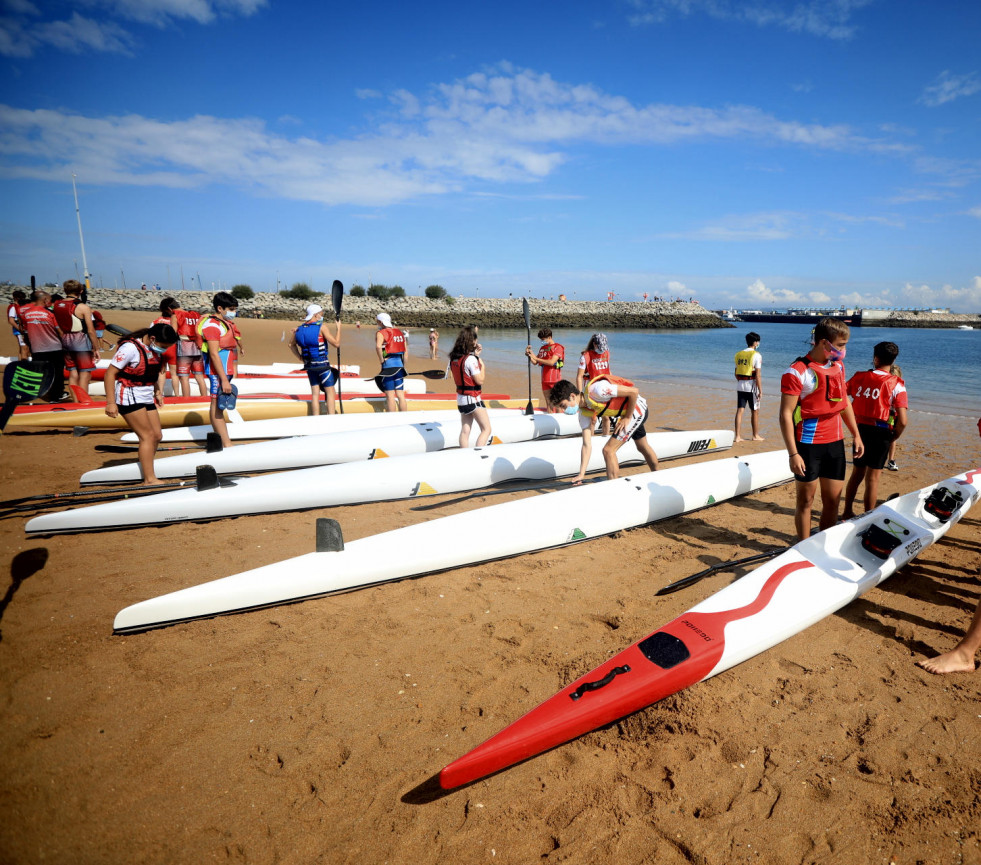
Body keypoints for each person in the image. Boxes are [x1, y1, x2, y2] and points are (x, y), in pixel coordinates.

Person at [779, 318, 864, 540]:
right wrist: (793, 453)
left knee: (833, 501)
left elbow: (844, 403)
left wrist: (856, 435)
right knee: (806, 501)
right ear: (824, 343)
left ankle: (822, 545)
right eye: (841, 345)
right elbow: (785, 415)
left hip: (835, 444)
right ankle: (803, 545)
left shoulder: (839, 367)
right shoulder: (797, 371)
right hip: (808, 446)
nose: (844, 350)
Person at [103, 322, 178, 485]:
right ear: (152, 338)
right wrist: (110, 402)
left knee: (157, 435)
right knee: (147, 436)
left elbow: (151, 373)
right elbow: (110, 374)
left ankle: (147, 468)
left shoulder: (152, 347)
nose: (164, 349)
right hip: (128, 395)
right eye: (163, 346)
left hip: (145, 394)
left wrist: (157, 392)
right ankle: (149, 479)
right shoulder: (130, 348)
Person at [547, 376, 658, 483]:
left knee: (608, 450)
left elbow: (634, 391)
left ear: (572, 396)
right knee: (642, 446)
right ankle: (658, 475)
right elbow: (586, 445)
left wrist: (627, 418)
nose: (564, 410)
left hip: (636, 410)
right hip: (629, 412)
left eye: (563, 406)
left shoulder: (598, 390)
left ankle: (613, 486)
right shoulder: (583, 413)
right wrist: (581, 473)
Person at [841, 342, 908, 520]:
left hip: (860, 430)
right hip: (882, 432)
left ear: (875, 358)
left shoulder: (859, 377)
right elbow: (903, 420)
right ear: (893, 361)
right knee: (873, 479)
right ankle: (868, 516)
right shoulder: (897, 384)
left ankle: (847, 511)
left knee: (857, 474)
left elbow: (841, 395)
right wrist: (895, 436)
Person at [197, 291, 239, 447]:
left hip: (224, 372)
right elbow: (214, 354)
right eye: (231, 309)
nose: (234, 312)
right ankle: (226, 444)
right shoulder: (212, 326)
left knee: (219, 405)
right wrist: (223, 380)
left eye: (235, 309)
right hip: (217, 373)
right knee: (217, 407)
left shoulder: (223, 324)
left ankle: (223, 441)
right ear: (220, 308)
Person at [288, 303, 341, 415]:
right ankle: (331, 416)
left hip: (309, 365)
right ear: (316, 314)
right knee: (330, 391)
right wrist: (338, 329)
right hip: (322, 365)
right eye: (321, 314)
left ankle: (315, 418)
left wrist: (300, 357)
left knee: (315, 393)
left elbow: (291, 345)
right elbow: (336, 343)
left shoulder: (299, 329)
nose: (322, 316)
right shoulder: (322, 327)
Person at [53, 280, 101, 395]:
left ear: (65, 290)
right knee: (85, 373)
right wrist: (96, 348)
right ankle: (82, 402)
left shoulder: (57, 305)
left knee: (73, 372)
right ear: (81, 291)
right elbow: (91, 330)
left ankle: (75, 401)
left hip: (64, 340)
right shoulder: (83, 307)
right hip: (80, 340)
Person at [448, 325, 492, 448]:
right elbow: (479, 380)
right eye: (475, 340)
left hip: (461, 399)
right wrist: (482, 366)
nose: (477, 342)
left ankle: (464, 454)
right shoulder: (470, 359)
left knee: (465, 430)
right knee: (486, 429)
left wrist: (476, 355)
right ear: (471, 341)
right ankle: (478, 453)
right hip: (473, 398)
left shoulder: (454, 358)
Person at [20, 290, 66, 402]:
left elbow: (24, 332)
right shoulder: (50, 313)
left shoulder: (25, 314)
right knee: (57, 373)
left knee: (41, 373)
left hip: (37, 349)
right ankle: (56, 396)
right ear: (45, 300)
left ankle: (37, 393)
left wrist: (29, 346)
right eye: (49, 300)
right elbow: (59, 332)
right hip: (54, 347)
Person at [170, 300, 208, 396]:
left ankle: (186, 400)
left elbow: (173, 332)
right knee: (199, 377)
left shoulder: (175, 315)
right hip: (197, 347)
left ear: (169, 309)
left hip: (184, 349)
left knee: (184, 377)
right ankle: (204, 399)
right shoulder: (195, 315)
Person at [576, 333, 612, 435]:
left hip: (605, 389)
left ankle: (606, 440)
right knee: (593, 420)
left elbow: (608, 371)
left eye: (604, 347)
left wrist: (614, 384)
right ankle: (590, 442)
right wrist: (581, 395)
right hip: (591, 390)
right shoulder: (585, 357)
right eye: (600, 347)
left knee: (606, 417)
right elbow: (579, 377)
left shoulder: (606, 353)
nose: (602, 350)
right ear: (594, 344)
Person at [733, 331, 765, 442]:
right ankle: (755, 435)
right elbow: (758, 375)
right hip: (751, 387)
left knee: (740, 411)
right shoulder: (757, 355)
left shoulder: (738, 354)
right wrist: (760, 390)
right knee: (755, 411)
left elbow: (736, 373)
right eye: (758, 341)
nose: (758, 343)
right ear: (755, 342)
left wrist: (741, 381)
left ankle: (737, 436)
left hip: (740, 385)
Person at [525, 327, 564, 411]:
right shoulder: (542, 349)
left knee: (557, 403)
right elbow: (535, 362)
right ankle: (550, 421)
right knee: (549, 404)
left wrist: (535, 357)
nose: (542, 341)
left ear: (549, 337)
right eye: (541, 339)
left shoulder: (558, 347)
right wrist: (529, 355)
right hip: (544, 380)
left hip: (555, 379)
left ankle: (559, 420)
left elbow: (551, 362)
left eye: (543, 339)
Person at [374, 312, 407, 412]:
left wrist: (382, 361)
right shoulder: (399, 333)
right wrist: (403, 366)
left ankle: (392, 419)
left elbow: (378, 346)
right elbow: (405, 351)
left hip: (388, 368)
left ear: (380, 322)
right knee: (401, 395)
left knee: (390, 395)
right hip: (400, 367)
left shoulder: (381, 333)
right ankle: (405, 417)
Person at [152, 298, 181, 399]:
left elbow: (151, 335)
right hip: (172, 349)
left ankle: (160, 394)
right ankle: (177, 395)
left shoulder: (156, 321)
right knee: (174, 374)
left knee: (161, 372)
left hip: (160, 349)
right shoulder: (175, 320)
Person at [885, 363, 903, 471]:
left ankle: (891, 460)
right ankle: (888, 460)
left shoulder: (899, 388)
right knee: (887, 436)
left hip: (892, 415)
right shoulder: (885, 385)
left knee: (892, 437)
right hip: (885, 415)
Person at [7, 290, 29, 360]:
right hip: (19, 331)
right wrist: (19, 329)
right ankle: (23, 364)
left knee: (23, 348)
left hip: (22, 330)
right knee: (24, 348)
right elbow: (11, 320)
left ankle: (20, 363)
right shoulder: (13, 307)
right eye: (20, 298)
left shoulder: (21, 306)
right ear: (16, 298)